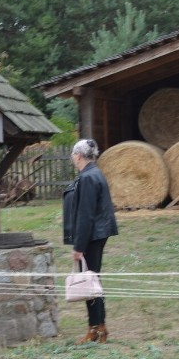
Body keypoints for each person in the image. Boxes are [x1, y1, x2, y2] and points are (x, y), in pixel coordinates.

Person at [63, 139, 118, 344]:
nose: (72, 158)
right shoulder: (95, 173)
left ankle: (97, 328)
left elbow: (86, 215)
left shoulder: (87, 177)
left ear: (78, 155)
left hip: (92, 236)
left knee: (90, 282)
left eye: (73, 154)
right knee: (92, 280)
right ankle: (97, 327)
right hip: (98, 234)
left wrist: (79, 247)